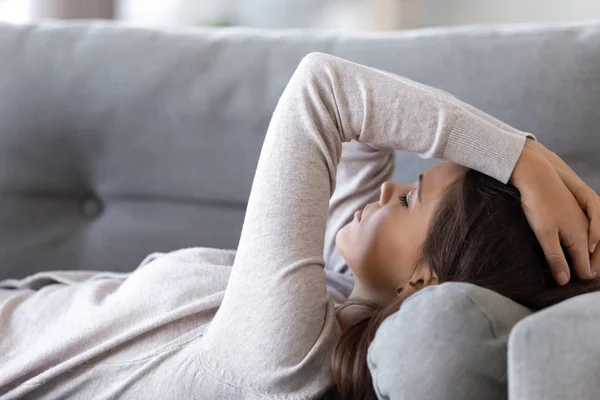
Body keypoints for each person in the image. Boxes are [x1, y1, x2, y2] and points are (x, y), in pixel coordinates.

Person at [1, 53, 599, 399]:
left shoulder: (284, 356)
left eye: (411, 200)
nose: (391, 188)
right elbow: (364, 137)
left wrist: (522, 156)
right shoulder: (338, 296)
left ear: (421, 282)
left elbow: (324, 88)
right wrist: (509, 167)